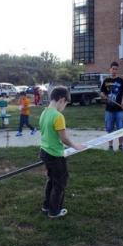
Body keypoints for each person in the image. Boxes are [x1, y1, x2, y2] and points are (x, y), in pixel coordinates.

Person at [39, 86, 85, 218]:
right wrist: (75, 146)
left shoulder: (44, 112)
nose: (64, 107)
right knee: (60, 183)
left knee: (52, 180)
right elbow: (64, 138)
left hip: (44, 151)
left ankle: (46, 205)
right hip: (55, 155)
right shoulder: (58, 116)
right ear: (61, 100)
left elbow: (46, 133)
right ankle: (54, 211)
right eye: (65, 104)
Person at [100, 61, 123, 151]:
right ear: (110, 69)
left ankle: (120, 146)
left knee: (121, 128)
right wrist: (103, 95)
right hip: (109, 109)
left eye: (116, 69)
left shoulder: (121, 81)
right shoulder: (106, 81)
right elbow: (102, 92)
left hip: (119, 109)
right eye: (113, 69)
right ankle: (110, 146)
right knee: (109, 128)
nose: (114, 71)